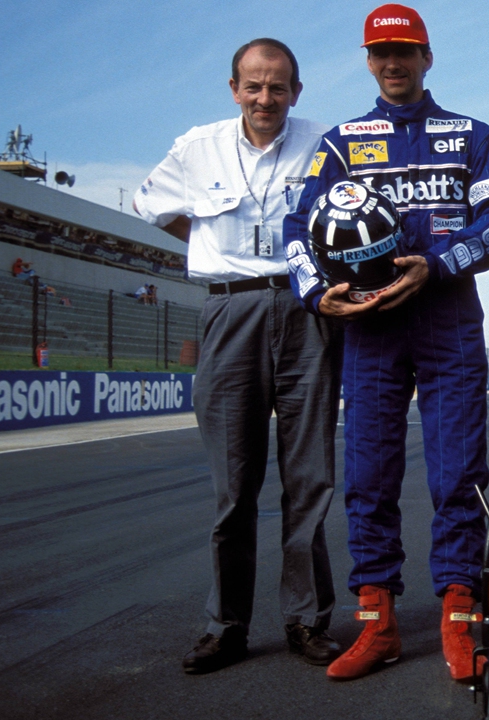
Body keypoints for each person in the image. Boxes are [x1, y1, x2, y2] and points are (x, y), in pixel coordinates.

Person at [283, 3, 489, 683]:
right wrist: (313, 291)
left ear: (427, 57)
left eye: (406, 51)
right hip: (371, 327)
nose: (394, 64)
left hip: (447, 319)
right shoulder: (342, 142)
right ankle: (377, 623)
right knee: (368, 478)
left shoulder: (469, 135)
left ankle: (458, 618)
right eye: (381, 54)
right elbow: (297, 226)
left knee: (457, 476)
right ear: (367, 60)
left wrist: (439, 262)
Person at [133, 38, 343, 674]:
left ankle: (307, 621)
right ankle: (225, 625)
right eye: (253, 86)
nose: (265, 98)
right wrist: (210, 247)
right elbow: (153, 205)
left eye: (278, 87)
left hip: (305, 309)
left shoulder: (324, 143)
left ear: (296, 93)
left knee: (308, 480)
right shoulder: (197, 147)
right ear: (233, 89)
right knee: (234, 486)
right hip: (228, 309)